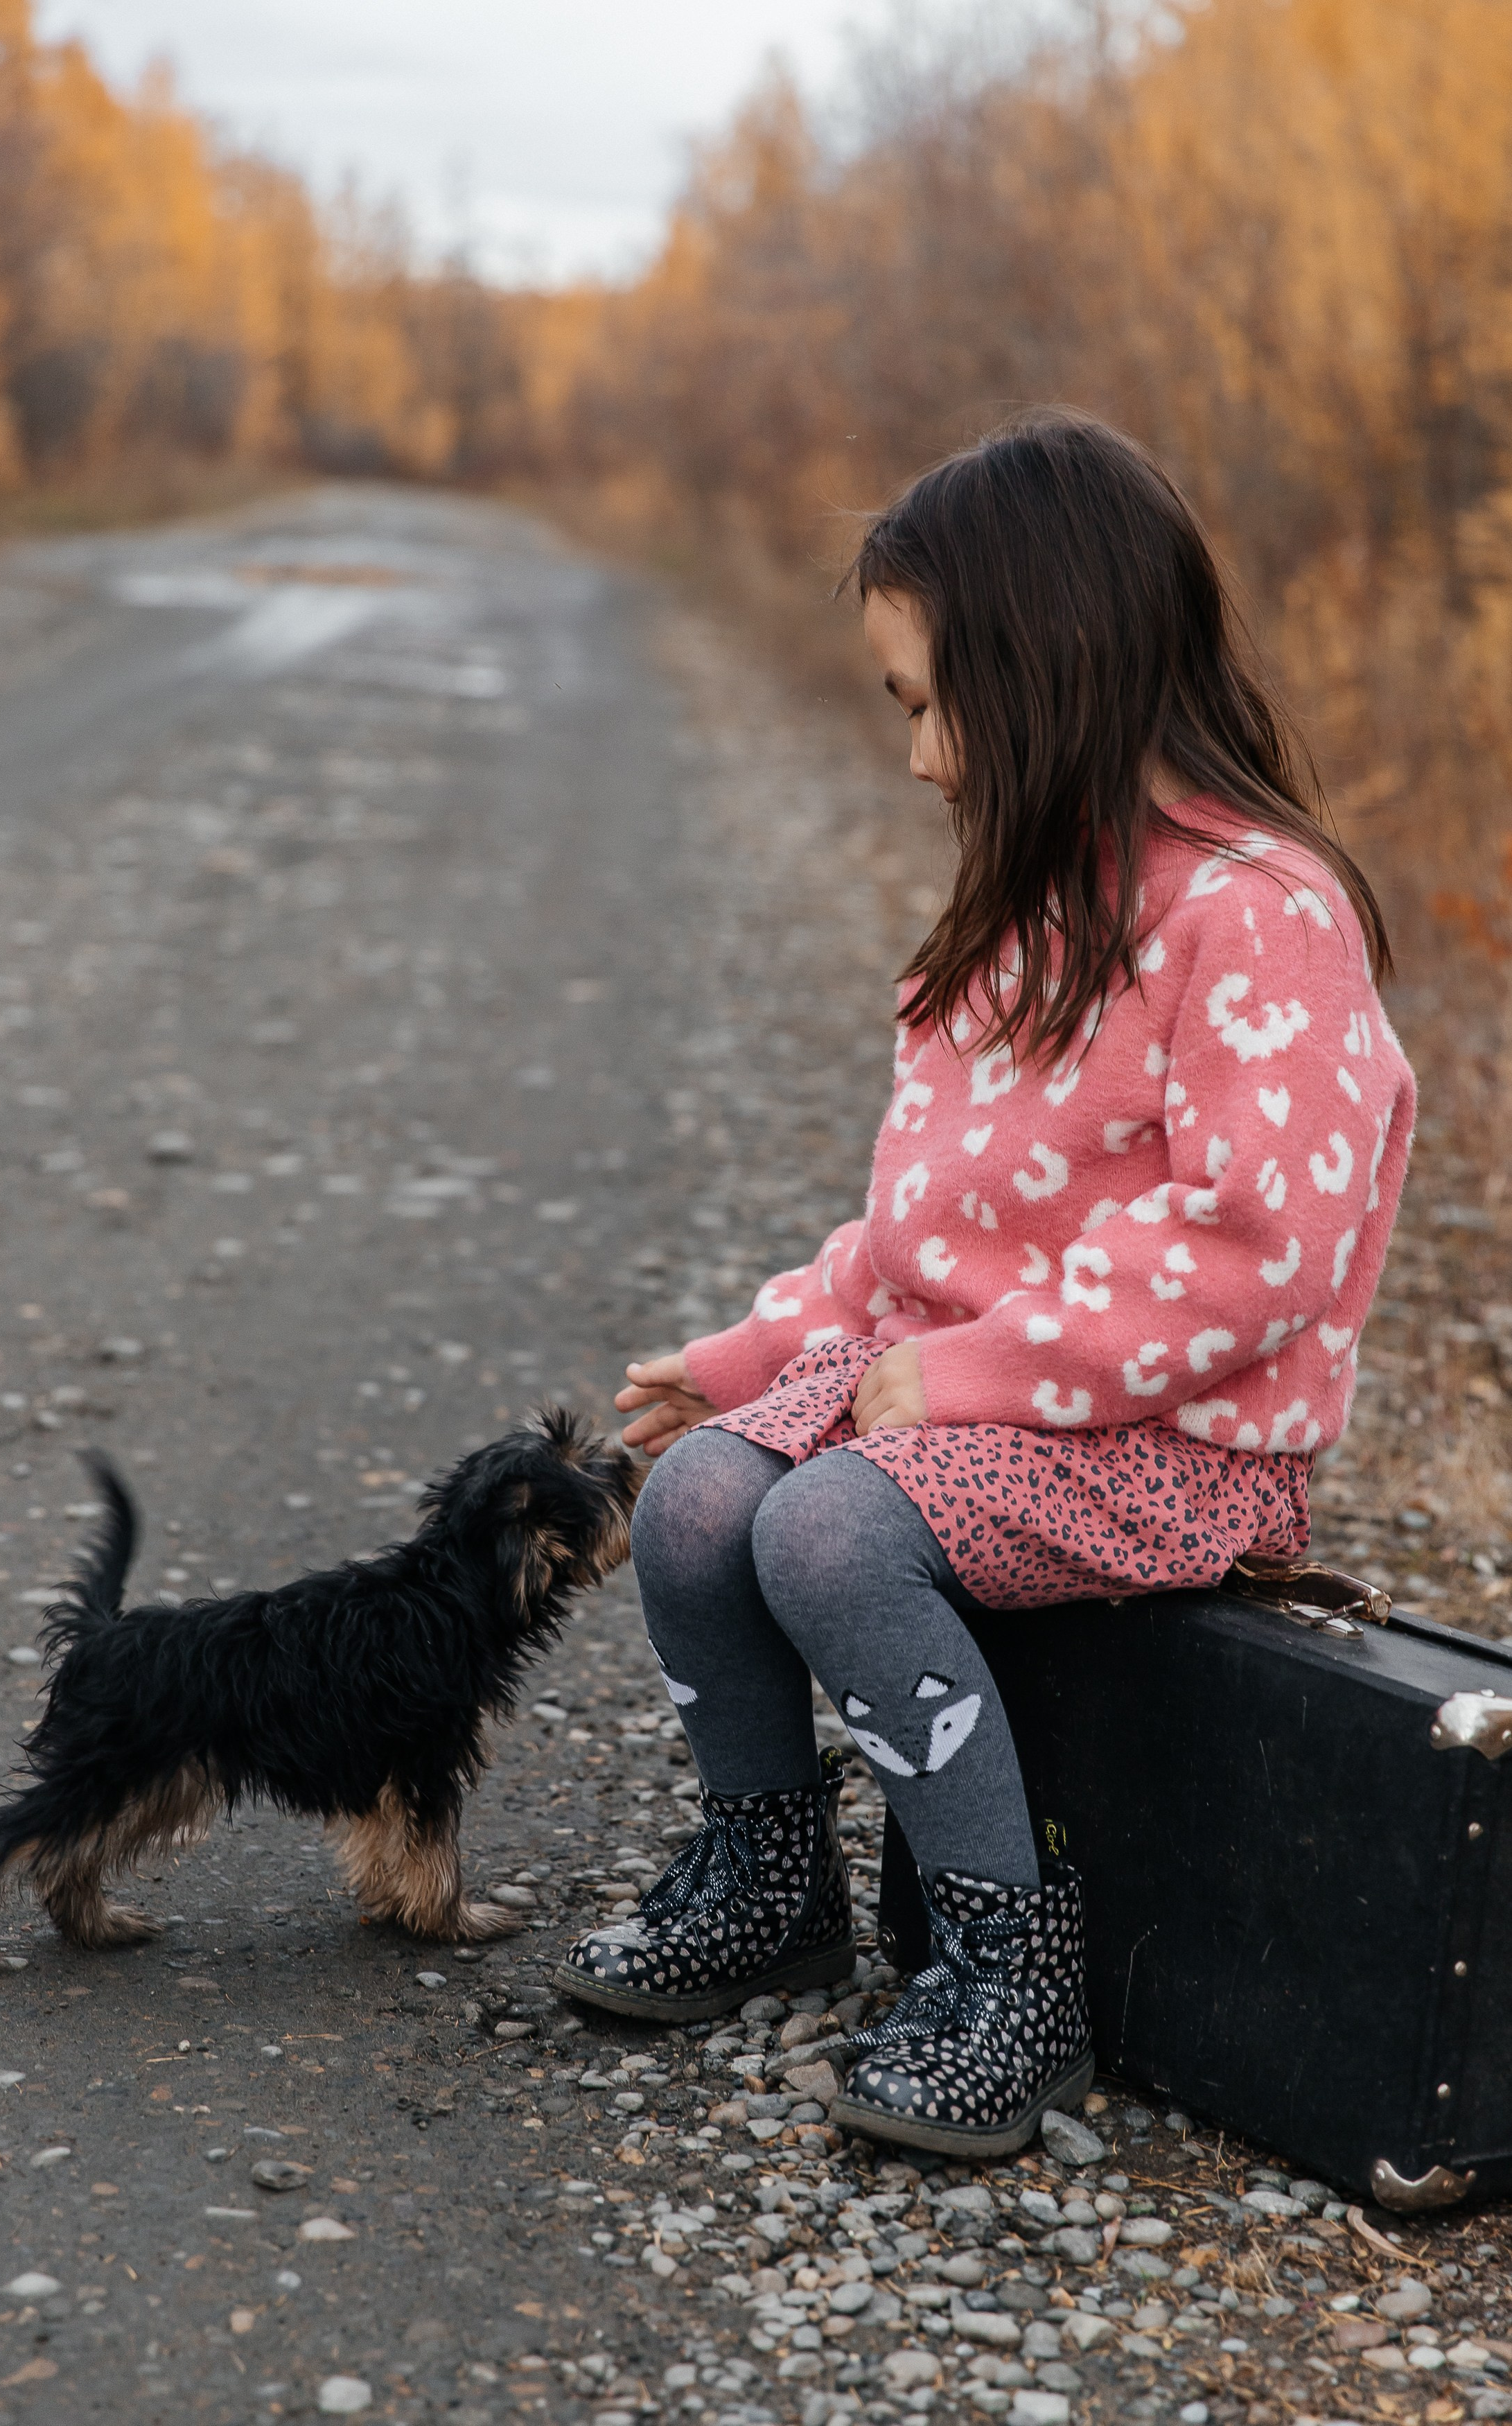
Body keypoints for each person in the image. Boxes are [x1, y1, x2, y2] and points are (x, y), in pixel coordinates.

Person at [555, 409, 1415, 2161]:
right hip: (984, 1407)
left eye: (930, 704)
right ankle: (767, 1873)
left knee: (826, 1531)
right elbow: (908, 1245)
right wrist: (749, 1354)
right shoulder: (1025, 916)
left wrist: (968, 1378)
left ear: (1055, 671)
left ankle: (1006, 1966)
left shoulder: (1260, 915)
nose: (924, 756)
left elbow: (1260, 1247)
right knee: (708, 1495)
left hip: (1173, 1440)